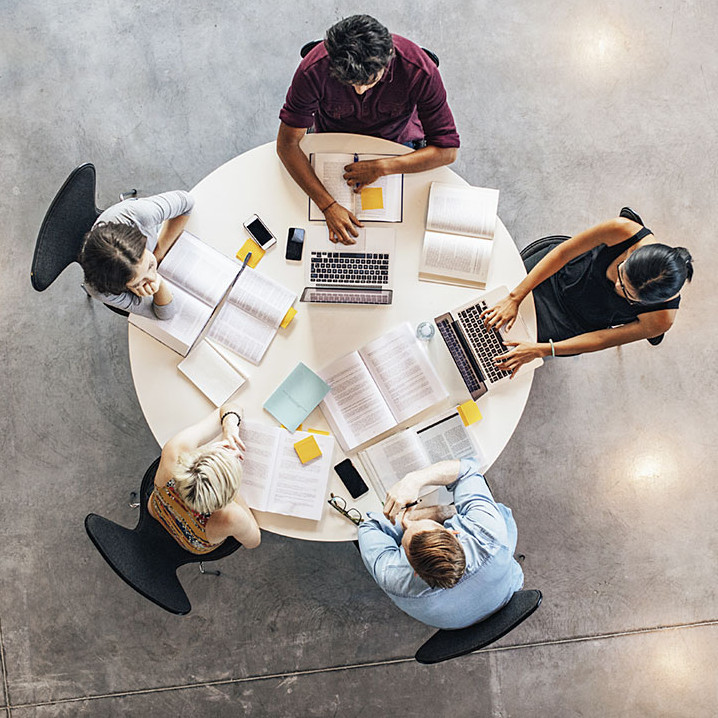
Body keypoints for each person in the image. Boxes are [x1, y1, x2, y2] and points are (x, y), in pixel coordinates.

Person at [277, 14, 460, 244]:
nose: (361, 91)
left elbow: (448, 150)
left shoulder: (419, 70)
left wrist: (381, 167)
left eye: (369, 82)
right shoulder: (313, 69)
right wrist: (328, 206)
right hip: (331, 140)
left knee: (396, 232)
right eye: (351, 83)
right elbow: (286, 145)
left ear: (388, 60)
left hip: (396, 144)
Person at [481, 209, 694, 377]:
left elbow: (602, 339)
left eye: (628, 294)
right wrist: (515, 297)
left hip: (574, 324)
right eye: (621, 274)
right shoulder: (622, 230)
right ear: (631, 254)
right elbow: (563, 253)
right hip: (556, 274)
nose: (618, 287)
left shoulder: (661, 319)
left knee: (499, 356)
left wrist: (540, 350)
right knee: (488, 302)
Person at [357, 458, 523, 629]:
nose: (409, 525)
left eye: (406, 535)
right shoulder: (490, 535)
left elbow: (369, 525)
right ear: (453, 533)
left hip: (457, 623)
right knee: (497, 513)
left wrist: (418, 515)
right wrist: (430, 499)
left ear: (413, 571)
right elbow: (468, 469)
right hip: (505, 593)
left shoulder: (393, 577)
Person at [148, 403, 261, 553]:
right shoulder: (231, 516)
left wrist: (229, 426)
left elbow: (230, 407)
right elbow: (254, 541)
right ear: (227, 498)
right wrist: (233, 491)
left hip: (157, 510)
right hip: (191, 543)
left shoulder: (174, 451)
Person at [79, 190, 194, 318]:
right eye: (138, 283)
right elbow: (165, 314)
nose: (152, 276)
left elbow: (186, 201)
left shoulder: (142, 215)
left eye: (150, 265)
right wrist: (159, 284)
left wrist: (158, 253)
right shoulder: (101, 291)